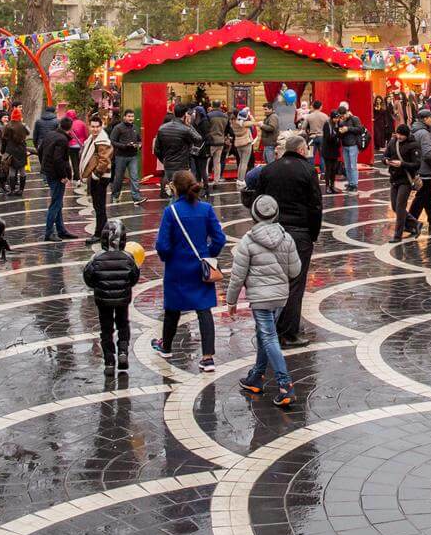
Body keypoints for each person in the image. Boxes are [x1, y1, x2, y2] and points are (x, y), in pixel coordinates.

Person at [226, 194, 304, 409]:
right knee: (265, 334)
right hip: (280, 296)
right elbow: (295, 270)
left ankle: (285, 384)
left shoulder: (248, 241)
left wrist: (230, 301)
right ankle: (256, 377)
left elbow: (237, 276)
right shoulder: (286, 238)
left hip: (260, 299)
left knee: (268, 336)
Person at [152, 170, 225, 372]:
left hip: (177, 267)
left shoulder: (171, 211)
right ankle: (208, 357)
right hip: (201, 267)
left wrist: (168, 258)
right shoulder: (206, 209)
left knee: (172, 309)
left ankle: (166, 346)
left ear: (175, 187)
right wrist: (208, 254)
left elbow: (163, 245)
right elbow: (219, 238)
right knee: (204, 310)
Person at [259, 135, 323, 347]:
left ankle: (269, 328)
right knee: (295, 284)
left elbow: (259, 201)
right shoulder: (307, 170)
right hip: (299, 233)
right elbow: (315, 205)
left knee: (274, 281)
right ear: (302, 150)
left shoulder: (269, 170)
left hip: (272, 232)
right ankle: (288, 333)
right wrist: (313, 233)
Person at [83, 220, 141, 374]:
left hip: (103, 300)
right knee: (123, 324)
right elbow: (134, 276)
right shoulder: (128, 257)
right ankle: (123, 351)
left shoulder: (96, 258)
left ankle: (109, 360)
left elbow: (88, 277)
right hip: (122, 298)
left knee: (106, 328)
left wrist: (98, 286)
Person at [154, 104, 205, 197]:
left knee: (174, 191)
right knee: (183, 192)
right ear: (185, 114)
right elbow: (198, 139)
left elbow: (157, 149)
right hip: (182, 165)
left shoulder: (162, 128)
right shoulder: (185, 129)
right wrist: (189, 125)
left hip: (169, 164)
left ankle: (173, 209)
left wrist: (164, 160)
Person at [38, 115, 75, 242]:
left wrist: (44, 165)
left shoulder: (50, 135)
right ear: (70, 128)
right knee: (56, 203)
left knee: (58, 202)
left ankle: (61, 230)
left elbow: (40, 150)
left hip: (49, 172)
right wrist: (63, 176)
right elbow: (59, 160)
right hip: (56, 175)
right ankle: (49, 232)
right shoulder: (62, 139)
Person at [384, 123, 423, 241]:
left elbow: (417, 164)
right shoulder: (393, 142)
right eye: (398, 134)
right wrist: (386, 161)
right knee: (394, 206)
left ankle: (398, 235)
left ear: (407, 135)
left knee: (400, 206)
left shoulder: (414, 145)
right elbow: (385, 155)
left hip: (406, 179)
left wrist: (402, 164)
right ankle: (416, 223)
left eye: (402, 135)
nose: (399, 136)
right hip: (394, 178)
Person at [81, 114, 114, 246]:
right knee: (98, 205)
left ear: (101, 127)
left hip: (101, 177)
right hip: (98, 176)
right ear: (89, 127)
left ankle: (99, 233)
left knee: (99, 206)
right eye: (93, 126)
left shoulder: (102, 141)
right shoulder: (93, 139)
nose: (95, 129)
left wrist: (96, 174)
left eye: (97, 127)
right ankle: (103, 232)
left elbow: (104, 160)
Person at [409, 109, 431, 232]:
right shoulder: (424, 133)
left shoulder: (416, 131)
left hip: (420, 169)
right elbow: (428, 154)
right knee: (421, 197)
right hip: (425, 170)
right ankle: (409, 223)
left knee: (427, 196)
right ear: (424, 119)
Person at [108, 108, 144, 205]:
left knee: (135, 177)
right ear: (124, 117)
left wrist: (139, 145)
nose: (131, 118)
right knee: (119, 178)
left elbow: (140, 140)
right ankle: (115, 195)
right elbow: (112, 141)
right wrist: (124, 146)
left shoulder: (135, 128)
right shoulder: (118, 128)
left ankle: (136, 197)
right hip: (121, 156)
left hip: (133, 156)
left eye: (132, 116)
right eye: (129, 116)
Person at [0, 108, 29, 197]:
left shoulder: (8, 126)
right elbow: (28, 133)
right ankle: (21, 190)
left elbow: (4, 140)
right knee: (22, 170)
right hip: (21, 150)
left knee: (12, 170)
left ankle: (12, 190)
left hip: (10, 150)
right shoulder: (23, 125)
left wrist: (3, 151)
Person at [334, 103, 365, 192]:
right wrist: (339, 131)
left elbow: (359, 129)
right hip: (345, 145)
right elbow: (339, 134)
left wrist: (348, 129)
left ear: (347, 112)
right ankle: (350, 182)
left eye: (342, 116)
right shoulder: (341, 121)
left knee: (353, 166)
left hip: (353, 145)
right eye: (340, 116)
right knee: (347, 166)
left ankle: (354, 184)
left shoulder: (354, 118)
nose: (342, 118)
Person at [302, 101, 330, 183]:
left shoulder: (309, 116)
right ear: (320, 107)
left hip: (312, 138)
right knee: (322, 156)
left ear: (313, 107)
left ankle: (311, 174)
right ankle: (323, 173)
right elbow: (328, 127)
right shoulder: (325, 116)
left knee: (310, 156)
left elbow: (303, 127)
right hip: (322, 137)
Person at [231, 108, 258, 186]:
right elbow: (253, 122)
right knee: (244, 163)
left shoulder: (232, 122)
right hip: (246, 143)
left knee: (241, 162)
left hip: (238, 143)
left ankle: (239, 179)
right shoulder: (243, 123)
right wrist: (249, 115)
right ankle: (241, 180)